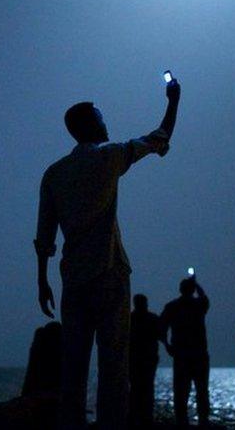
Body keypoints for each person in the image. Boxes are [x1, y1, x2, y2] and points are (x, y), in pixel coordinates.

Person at [34, 78, 181, 430]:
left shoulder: (54, 174)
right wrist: (173, 99)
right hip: (110, 273)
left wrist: (42, 280)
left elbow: (44, 236)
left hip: (73, 279)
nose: (106, 122)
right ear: (91, 125)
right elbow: (160, 136)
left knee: (74, 366)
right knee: (114, 366)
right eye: (101, 118)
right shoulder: (110, 156)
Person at [160, 275, 210, 427]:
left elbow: (161, 328)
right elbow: (204, 297)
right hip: (199, 353)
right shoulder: (198, 305)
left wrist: (167, 345)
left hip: (181, 354)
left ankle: (182, 422)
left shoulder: (172, 306)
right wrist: (197, 284)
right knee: (201, 390)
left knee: (181, 392)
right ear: (192, 290)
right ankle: (203, 421)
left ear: (180, 290)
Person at [129, 294, 162, 428]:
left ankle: (135, 417)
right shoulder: (152, 318)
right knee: (147, 389)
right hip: (147, 359)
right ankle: (145, 417)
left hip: (136, 359)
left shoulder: (129, 319)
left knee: (135, 389)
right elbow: (161, 335)